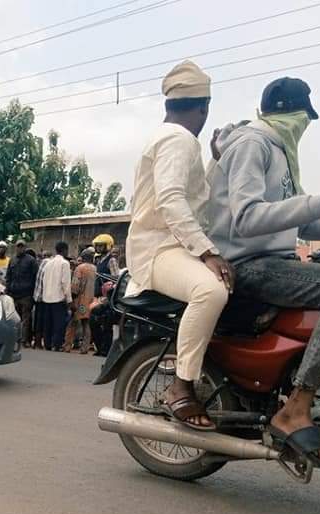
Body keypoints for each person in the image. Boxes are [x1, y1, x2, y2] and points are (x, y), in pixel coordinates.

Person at [206, 76, 320, 467]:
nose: (305, 127)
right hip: (246, 264)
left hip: (275, 262)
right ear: (294, 114)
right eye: (306, 118)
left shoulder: (280, 151)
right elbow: (248, 218)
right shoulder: (254, 144)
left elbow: (302, 225)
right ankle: (297, 406)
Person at [126, 60, 234, 431]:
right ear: (204, 107)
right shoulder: (178, 140)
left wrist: (215, 158)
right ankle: (181, 387)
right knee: (211, 291)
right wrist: (209, 252)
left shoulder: (174, 139)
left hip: (173, 247)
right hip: (160, 250)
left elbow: (195, 197)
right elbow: (172, 199)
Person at [39, 241, 72, 351]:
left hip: (47, 297)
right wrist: (69, 299)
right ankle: (56, 345)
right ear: (64, 250)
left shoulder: (48, 263)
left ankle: (47, 344)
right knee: (59, 323)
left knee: (48, 323)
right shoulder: (65, 263)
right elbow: (65, 283)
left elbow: (43, 280)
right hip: (58, 298)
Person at [5, 239, 38, 347]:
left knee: (25, 319)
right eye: (18, 246)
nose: (20, 248)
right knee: (15, 319)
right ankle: (15, 339)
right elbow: (8, 276)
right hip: (14, 294)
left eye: (22, 246)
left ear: (25, 247)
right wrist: (8, 290)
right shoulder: (12, 260)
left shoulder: (31, 261)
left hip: (26, 295)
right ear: (16, 247)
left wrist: (33, 294)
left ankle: (23, 341)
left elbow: (35, 278)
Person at [64, 248, 97, 354]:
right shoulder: (95, 268)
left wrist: (71, 299)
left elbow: (75, 286)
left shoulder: (80, 268)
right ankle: (85, 347)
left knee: (72, 323)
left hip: (80, 300)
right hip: (90, 300)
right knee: (86, 323)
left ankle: (67, 346)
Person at [32, 250, 52, 348]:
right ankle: (40, 342)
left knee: (38, 321)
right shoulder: (47, 263)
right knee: (43, 321)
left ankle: (37, 342)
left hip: (38, 296)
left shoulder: (42, 264)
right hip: (44, 297)